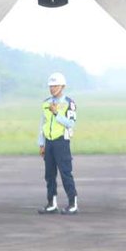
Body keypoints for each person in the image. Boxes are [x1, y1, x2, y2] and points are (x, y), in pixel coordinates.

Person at [37, 71, 78, 214]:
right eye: (50, 86)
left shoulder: (69, 103)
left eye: (55, 86)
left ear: (62, 86)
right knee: (49, 174)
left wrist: (56, 113)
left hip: (61, 141)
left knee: (65, 172)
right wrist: (41, 143)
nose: (52, 88)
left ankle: (72, 203)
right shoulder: (46, 103)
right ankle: (51, 203)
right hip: (49, 142)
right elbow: (42, 123)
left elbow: (71, 123)